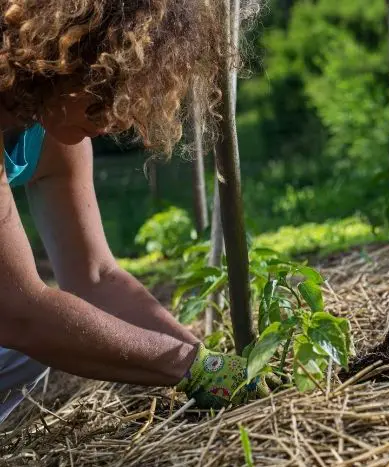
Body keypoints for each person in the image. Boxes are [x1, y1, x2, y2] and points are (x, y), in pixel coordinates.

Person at [0, 0, 265, 423]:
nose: (119, 118)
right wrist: (186, 367)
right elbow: (18, 311)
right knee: (29, 335)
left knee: (22, 354)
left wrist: (204, 359)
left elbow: (95, 277)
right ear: (63, 54)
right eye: (108, 85)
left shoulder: (49, 140)